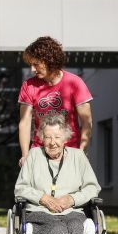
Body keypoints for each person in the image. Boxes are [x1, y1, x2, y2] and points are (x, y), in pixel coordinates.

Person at [14, 113, 100, 234]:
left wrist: (72, 199)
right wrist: (43, 198)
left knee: (75, 227)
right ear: (41, 138)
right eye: (48, 137)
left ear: (66, 138)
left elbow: (92, 187)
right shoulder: (34, 155)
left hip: (72, 211)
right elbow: (20, 187)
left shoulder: (78, 157)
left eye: (57, 137)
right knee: (57, 229)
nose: (52, 142)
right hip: (39, 212)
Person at [18, 36, 93, 167]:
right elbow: (24, 123)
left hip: (70, 151)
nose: (32, 70)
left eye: (36, 64)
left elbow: (87, 122)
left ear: (49, 60)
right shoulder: (28, 86)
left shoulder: (75, 83)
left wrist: (81, 152)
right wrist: (25, 156)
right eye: (31, 65)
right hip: (40, 152)